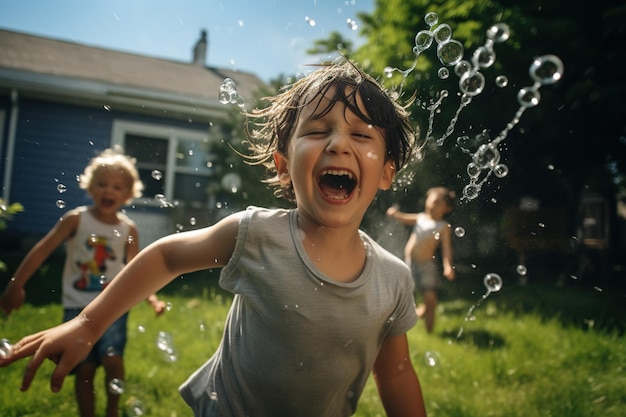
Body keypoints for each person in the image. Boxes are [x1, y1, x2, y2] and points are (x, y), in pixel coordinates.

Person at [1, 61, 427, 417]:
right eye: (318, 131)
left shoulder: (393, 280)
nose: (338, 144)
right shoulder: (257, 233)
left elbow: (395, 373)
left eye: (361, 134)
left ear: (387, 171)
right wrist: (87, 323)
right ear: (283, 165)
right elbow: (167, 257)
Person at [0, 147, 166, 417]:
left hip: (112, 307)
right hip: (76, 306)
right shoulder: (76, 219)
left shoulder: (128, 229)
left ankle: (112, 411)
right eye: (102, 184)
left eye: (117, 187)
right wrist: (15, 285)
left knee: (113, 360)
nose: (108, 191)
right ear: (90, 187)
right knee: (84, 368)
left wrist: (152, 298)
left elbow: (136, 269)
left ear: (128, 194)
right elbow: (42, 249)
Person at [387, 186, 456, 333]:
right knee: (408, 296)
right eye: (431, 201)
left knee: (430, 297)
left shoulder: (443, 226)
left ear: (447, 208)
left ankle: (429, 331)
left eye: (438, 203)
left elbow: (447, 249)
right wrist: (395, 214)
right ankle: (419, 312)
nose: (432, 205)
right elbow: (404, 219)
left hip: (426, 266)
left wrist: (447, 266)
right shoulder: (421, 217)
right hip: (409, 263)